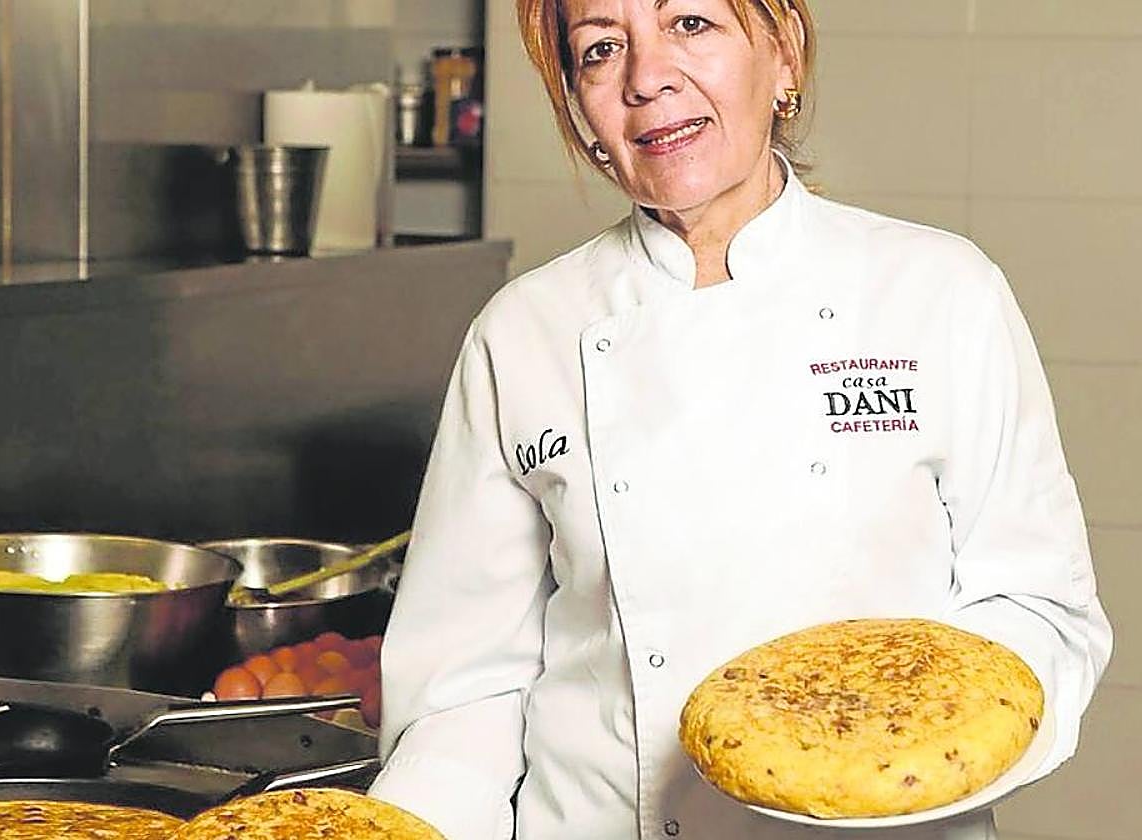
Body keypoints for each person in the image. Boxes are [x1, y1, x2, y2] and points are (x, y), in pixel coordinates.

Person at [368, 1, 1113, 838]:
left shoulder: (939, 293)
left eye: (690, 23)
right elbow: (466, 689)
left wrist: (894, 756)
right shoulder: (523, 332)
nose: (646, 78)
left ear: (784, 54)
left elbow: (1039, 608)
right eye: (601, 49)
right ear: (581, 112)